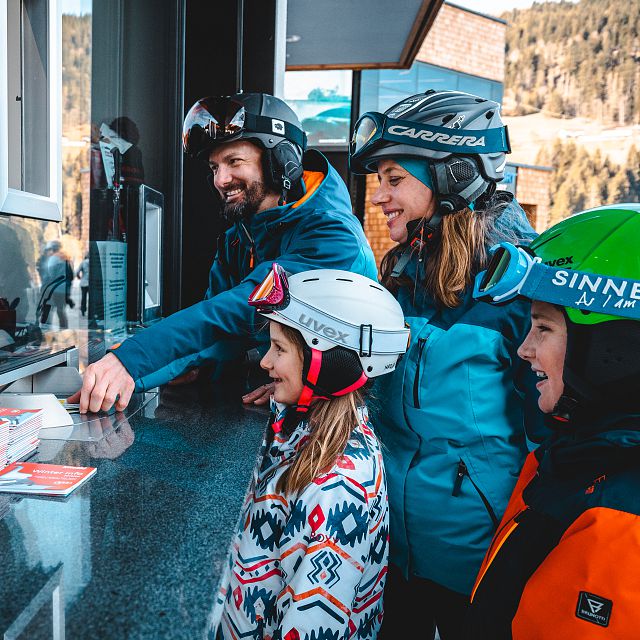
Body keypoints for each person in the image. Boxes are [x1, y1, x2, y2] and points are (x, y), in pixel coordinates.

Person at [348, 89, 545, 639]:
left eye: (394, 178)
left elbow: (548, 439)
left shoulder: (517, 291)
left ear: (453, 174)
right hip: (389, 548)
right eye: (379, 181)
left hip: (475, 560)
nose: (381, 197)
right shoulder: (405, 270)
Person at [69, 93, 377, 413]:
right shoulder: (240, 237)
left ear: (280, 160)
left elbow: (238, 309)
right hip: (291, 394)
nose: (220, 179)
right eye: (215, 166)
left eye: (234, 161)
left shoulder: (332, 236)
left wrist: (130, 360)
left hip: (339, 413)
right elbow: (218, 333)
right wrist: (120, 375)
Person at [467, 204, 640, 639]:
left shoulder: (619, 515)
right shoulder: (580, 457)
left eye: (543, 328)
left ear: (610, 348)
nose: (525, 349)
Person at [214, 264, 409, 639]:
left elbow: (313, 621)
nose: (266, 362)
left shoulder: (337, 487)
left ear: (329, 364)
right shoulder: (311, 430)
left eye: (279, 349)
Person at [76, 252, 90, 317]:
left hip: (84, 283)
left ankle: (83, 310)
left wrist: (80, 277)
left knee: (83, 297)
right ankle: (92, 311)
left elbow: (77, 272)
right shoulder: (94, 262)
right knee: (92, 298)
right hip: (92, 284)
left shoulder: (83, 262)